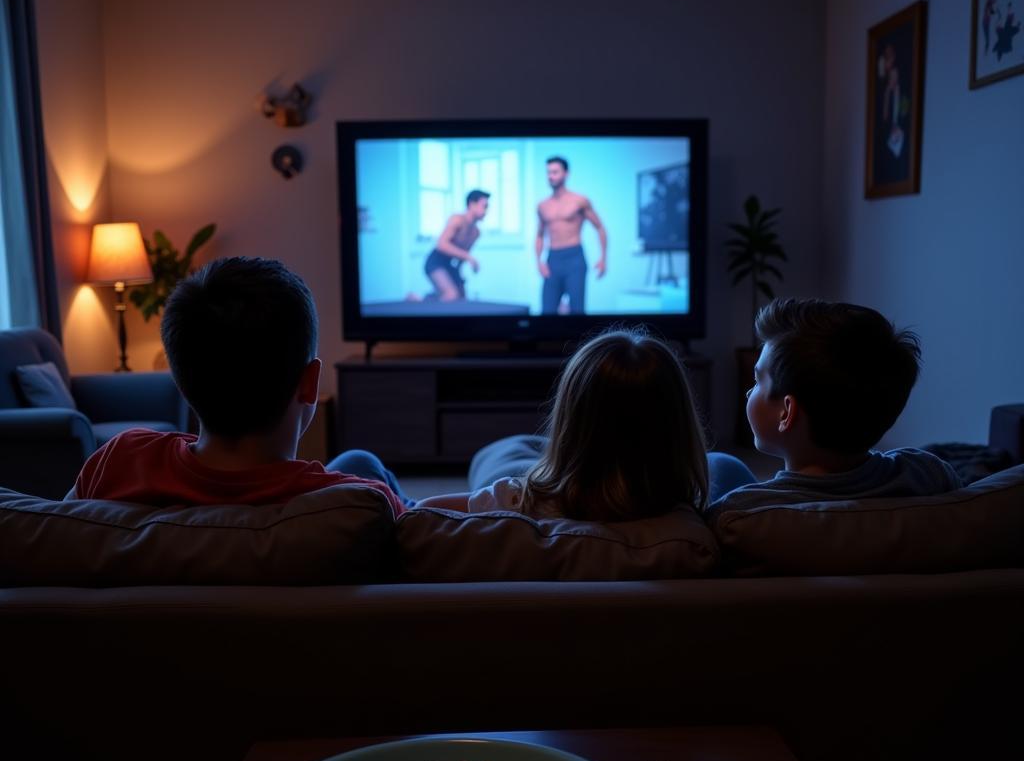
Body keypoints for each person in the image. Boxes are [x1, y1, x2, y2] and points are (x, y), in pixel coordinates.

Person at [67, 256, 408, 515]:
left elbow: (57, 521)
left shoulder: (118, 461)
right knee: (362, 463)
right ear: (310, 383)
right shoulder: (362, 504)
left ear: (183, 381)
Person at [416, 328, 711, 521]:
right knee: (722, 462)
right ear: (679, 428)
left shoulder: (518, 500)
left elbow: (420, 513)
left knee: (508, 449)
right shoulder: (689, 515)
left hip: (549, 476)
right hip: (570, 472)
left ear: (570, 419)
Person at [707, 298, 961, 519]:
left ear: (786, 413)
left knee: (720, 465)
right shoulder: (928, 473)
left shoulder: (739, 512)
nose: (749, 391)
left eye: (757, 380)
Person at [536, 157, 607, 315]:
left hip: (574, 258)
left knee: (577, 312)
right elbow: (539, 235)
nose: (551, 176)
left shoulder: (579, 201)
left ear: (566, 174)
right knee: (547, 311)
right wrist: (539, 262)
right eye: (548, 172)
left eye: (555, 172)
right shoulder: (542, 206)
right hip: (552, 258)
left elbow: (600, 227)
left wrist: (603, 259)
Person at [417, 190, 490, 302]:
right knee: (451, 295)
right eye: (484, 206)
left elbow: (460, 257)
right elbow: (441, 244)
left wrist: (459, 276)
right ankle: (418, 302)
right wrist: (468, 257)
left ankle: (422, 300)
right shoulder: (457, 219)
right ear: (472, 204)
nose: (486, 211)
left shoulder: (476, 232)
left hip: (451, 265)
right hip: (435, 261)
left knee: (461, 297)